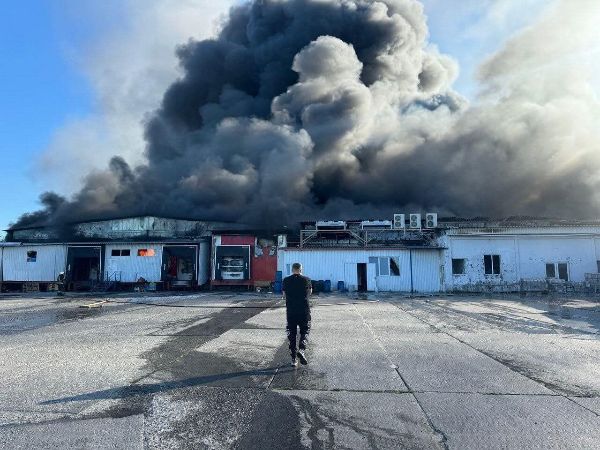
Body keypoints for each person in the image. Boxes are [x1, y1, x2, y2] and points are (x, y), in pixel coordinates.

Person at [282, 263, 312, 367]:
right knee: (305, 330)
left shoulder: (286, 280)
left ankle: (293, 359)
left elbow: (284, 294)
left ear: (292, 269)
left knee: (292, 333)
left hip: (291, 311)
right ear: (301, 269)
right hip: (304, 310)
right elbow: (310, 292)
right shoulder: (306, 279)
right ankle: (302, 349)